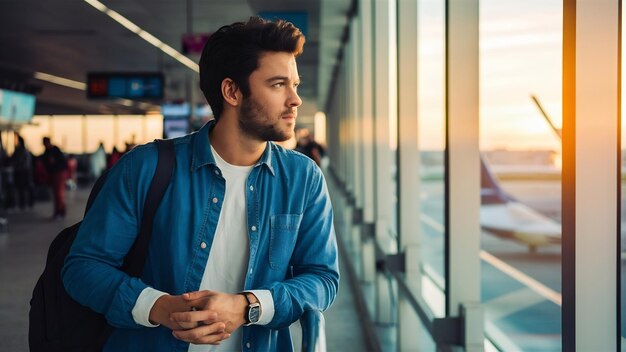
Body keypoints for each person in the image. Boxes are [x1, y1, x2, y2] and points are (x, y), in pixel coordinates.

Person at [62, 16, 339, 352]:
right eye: (279, 84)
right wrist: (158, 307)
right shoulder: (145, 168)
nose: (294, 99)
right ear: (232, 91)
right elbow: (84, 267)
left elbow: (322, 279)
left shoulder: (303, 179)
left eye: (295, 84)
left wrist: (249, 305)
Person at [41, 137, 68, 219]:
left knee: (59, 194)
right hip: (55, 174)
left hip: (59, 173)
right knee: (57, 194)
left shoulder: (54, 150)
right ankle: (58, 212)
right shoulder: (47, 152)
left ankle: (60, 212)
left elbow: (61, 162)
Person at [11, 134, 34, 209]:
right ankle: (26, 203)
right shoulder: (24, 151)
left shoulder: (21, 151)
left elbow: (18, 161)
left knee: (22, 188)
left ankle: (23, 204)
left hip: (22, 171)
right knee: (25, 188)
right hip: (24, 171)